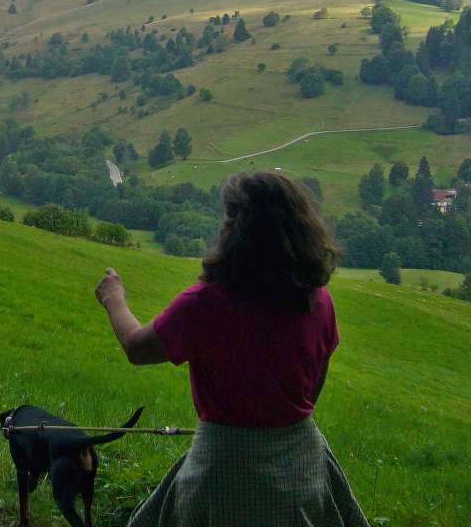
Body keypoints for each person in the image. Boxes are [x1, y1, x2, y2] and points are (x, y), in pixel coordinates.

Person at [95, 171, 368, 526]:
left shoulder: (207, 303)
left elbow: (137, 348)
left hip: (225, 469)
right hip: (302, 463)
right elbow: (313, 386)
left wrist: (114, 298)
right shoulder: (318, 300)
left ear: (236, 229)